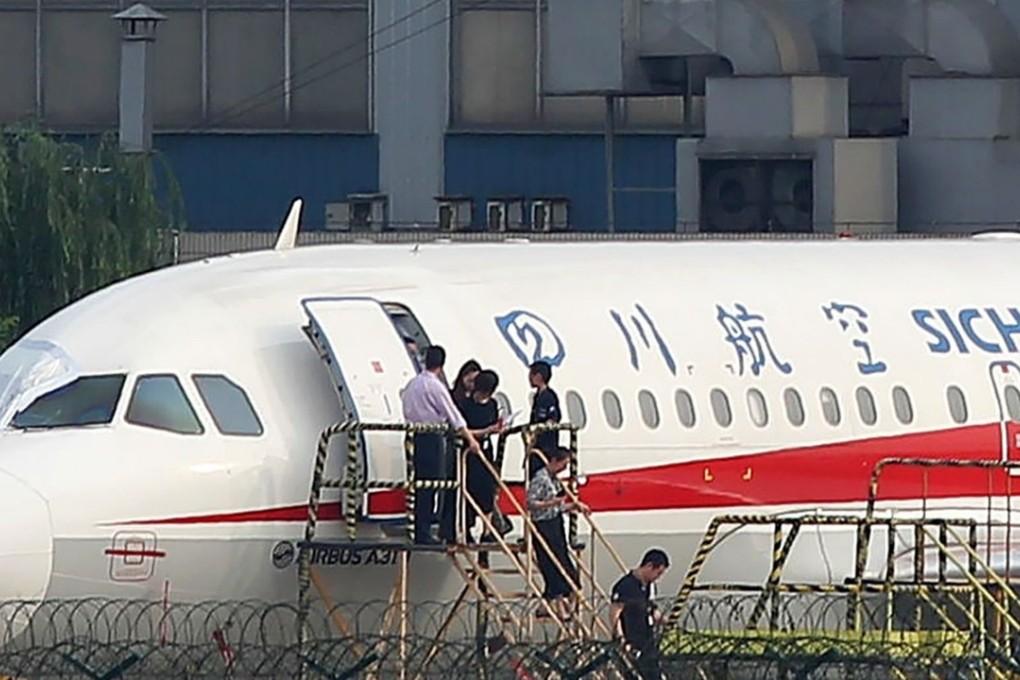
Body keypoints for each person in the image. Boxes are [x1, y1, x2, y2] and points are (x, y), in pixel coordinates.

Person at [401, 345, 481, 545]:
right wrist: (470, 439)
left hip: (414, 436)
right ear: (442, 365)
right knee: (433, 482)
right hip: (432, 436)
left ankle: (421, 526)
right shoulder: (435, 386)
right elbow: (453, 414)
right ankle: (425, 531)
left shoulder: (412, 385)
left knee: (421, 484)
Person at [526, 446, 587, 619]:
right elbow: (531, 503)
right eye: (564, 464)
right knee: (552, 563)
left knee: (562, 563)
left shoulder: (554, 480)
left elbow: (558, 507)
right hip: (543, 525)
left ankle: (555, 604)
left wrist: (574, 506)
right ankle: (557, 606)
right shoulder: (541, 478)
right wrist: (551, 503)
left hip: (555, 523)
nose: (565, 468)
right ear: (554, 461)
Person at [458, 369, 505, 541]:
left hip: (485, 450)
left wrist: (498, 429)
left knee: (487, 490)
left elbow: (492, 424)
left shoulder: (492, 404)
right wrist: (486, 430)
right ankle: (468, 529)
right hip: (470, 452)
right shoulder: (466, 405)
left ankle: (487, 530)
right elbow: (463, 430)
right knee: (469, 489)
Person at [610, 548, 671, 680]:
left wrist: (667, 621)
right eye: (658, 573)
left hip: (647, 638)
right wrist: (621, 639)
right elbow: (615, 613)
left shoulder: (650, 586)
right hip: (631, 637)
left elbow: (651, 610)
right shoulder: (625, 586)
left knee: (654, 673)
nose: (658, 578)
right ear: (649, 566)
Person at [527, 360, 561, 479]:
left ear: (539, 377)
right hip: (536, 446)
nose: (529, 378)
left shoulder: (549, 396)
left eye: (531, 374)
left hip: (546, 447)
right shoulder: (537, 396)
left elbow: (553, 419)